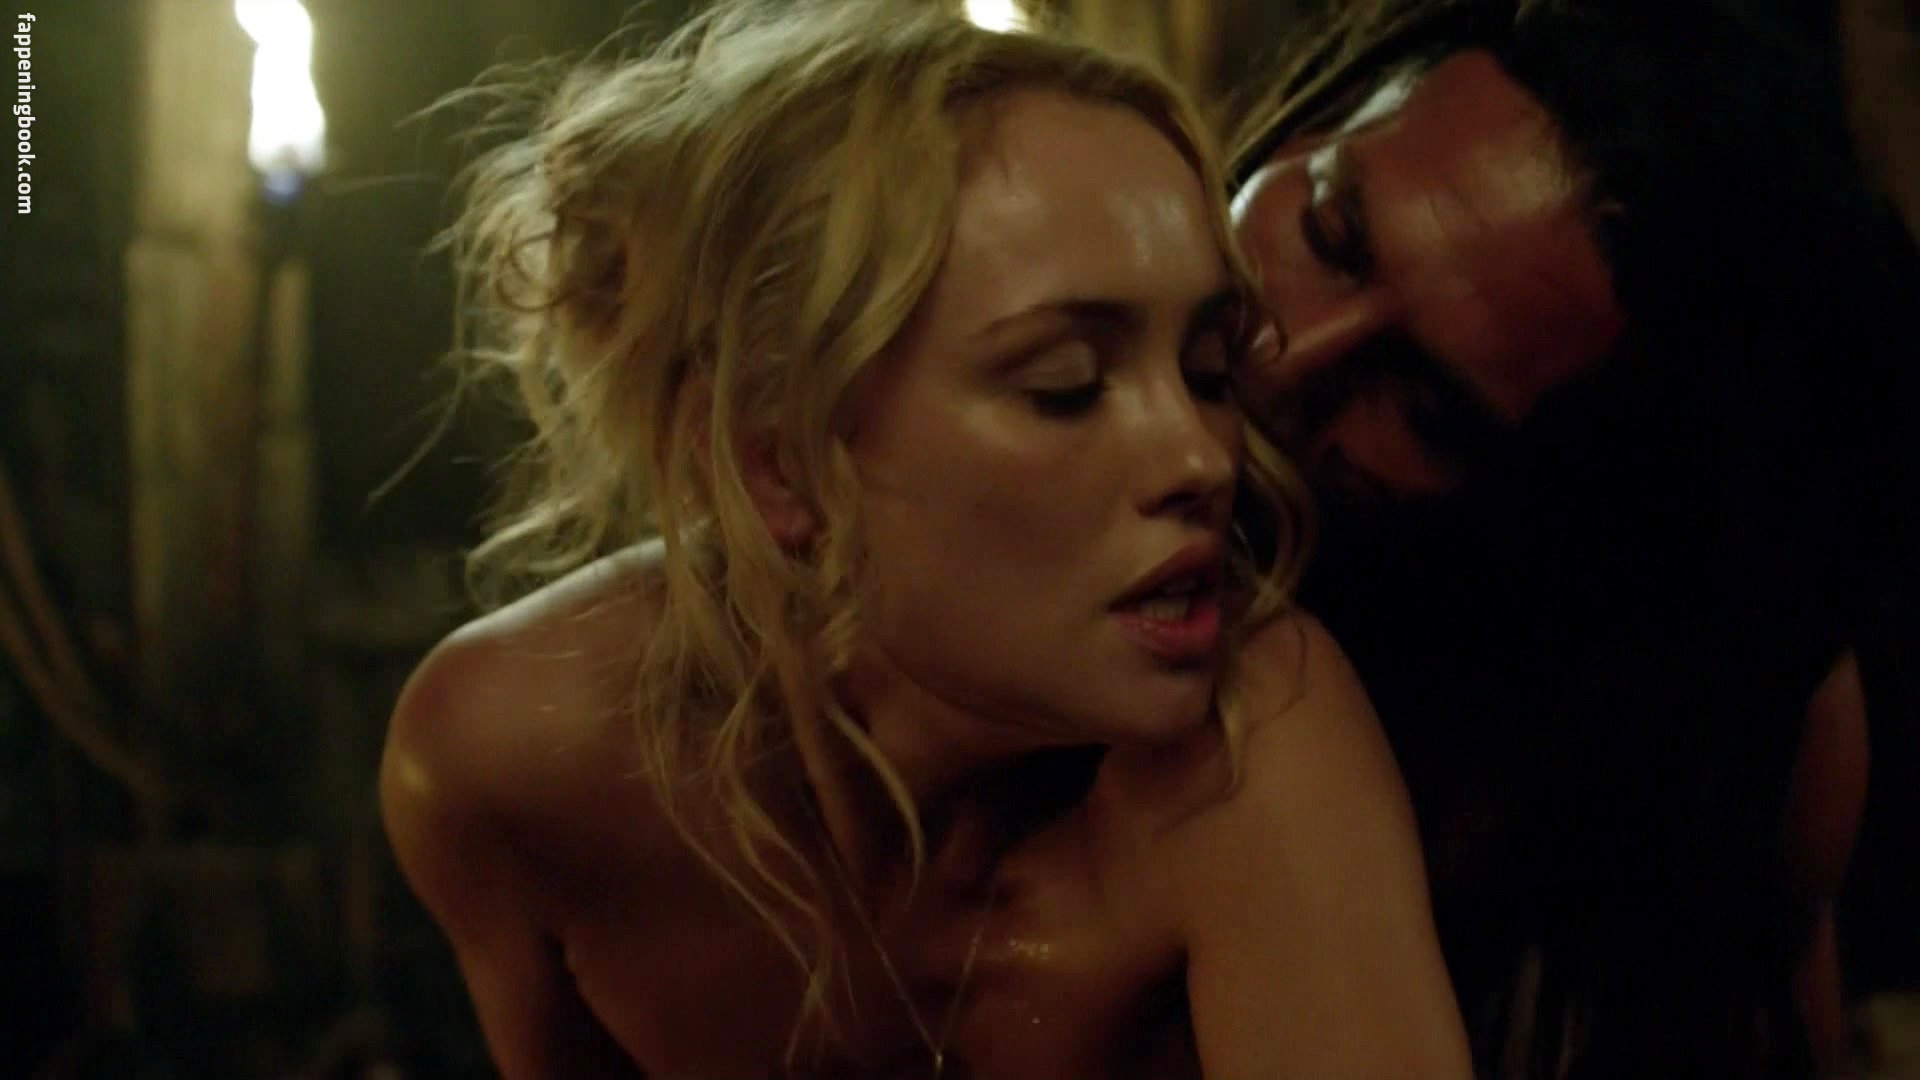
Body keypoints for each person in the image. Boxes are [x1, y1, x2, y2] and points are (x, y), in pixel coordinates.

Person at [379, 2, 1471, 1077]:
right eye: (1066, 387)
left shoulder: (1252, 737)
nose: (1201, 457)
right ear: (782, 464)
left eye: (1208, 372)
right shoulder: (515, 762)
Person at [1225, 0, 1917, 1076]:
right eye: (1329, 232)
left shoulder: (1715, 750)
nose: (1283, 358)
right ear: (1332, 105)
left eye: (1427, 409)